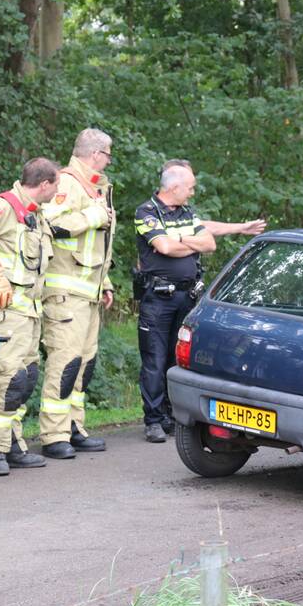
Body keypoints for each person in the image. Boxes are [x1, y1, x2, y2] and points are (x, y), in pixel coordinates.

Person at [39, 128, 115, 459]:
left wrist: (106, 282)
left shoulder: (97, 185)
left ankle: (73, 426)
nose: (110, 160)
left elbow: (97, 243)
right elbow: (49, 223)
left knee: (84, 364)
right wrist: (93, 216)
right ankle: (53, 434)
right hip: (65, 290)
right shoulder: (67, 182)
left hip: (89, 292)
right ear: (96, 153)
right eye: (108, 154)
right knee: (65, 362)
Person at [134, 164, 217, 442]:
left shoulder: (187, 213)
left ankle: (171, 413)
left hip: (187, 296)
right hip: (158, 299)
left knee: (176, 359)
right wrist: (182, 242)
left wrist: (178, 238)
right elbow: (164, 248)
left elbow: (209, 244)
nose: (192, 192)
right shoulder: (146, 212)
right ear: (174, 187)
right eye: (190, 187)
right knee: (154, 360)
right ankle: (154, 419)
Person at [0, 158, 59, 475]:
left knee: (26, 378)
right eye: (56, 185)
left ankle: (12, 444)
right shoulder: (4, 207)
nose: (58, 191)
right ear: (44, 184)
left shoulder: (36, 216)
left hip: (30, 313)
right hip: (7, 314)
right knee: (8, 379)